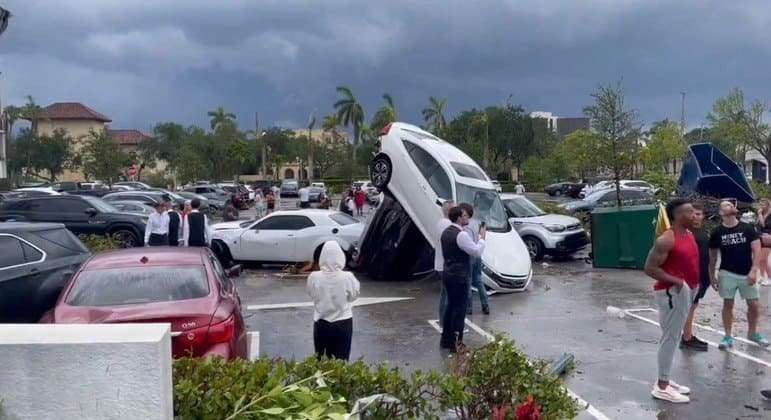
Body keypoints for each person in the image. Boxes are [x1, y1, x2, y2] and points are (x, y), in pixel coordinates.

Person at [644, 198, 699, 403]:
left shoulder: (689, 234)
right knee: (670, 337)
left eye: (694, 212)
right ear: (677, 215)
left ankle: (665, 378)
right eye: (690, 212)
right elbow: (650, 268)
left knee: (672, 337)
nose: (694, 215)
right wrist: (678, 282)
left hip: (686, 291)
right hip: (672, 293)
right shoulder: (667, 239)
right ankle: (662, 386)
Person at [709, 200, 769, 349]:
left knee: (754, 305)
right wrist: (711, 275)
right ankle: (727, 336)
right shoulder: (717, 232)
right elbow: (713, 257)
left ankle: (753, 333)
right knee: (728, 304)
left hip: (747, 272)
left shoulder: (747, 228)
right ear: (721, 212)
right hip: (726, 273)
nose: (730, 206)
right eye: (726, 205)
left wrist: (754, 270)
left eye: (731, 204)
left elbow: (757, 251)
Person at [440, 204, 486, 352]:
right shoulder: (461, 235)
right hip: (459, 275)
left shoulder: (446, 232)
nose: (467, 218)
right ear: (459, 218)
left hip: (448, 273)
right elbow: (476, 252)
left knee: (450, 307)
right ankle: (457, 343)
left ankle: (446, 340)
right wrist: (482, 239)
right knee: (459, 309)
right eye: (465, 216)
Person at [307, 241, 360, 360]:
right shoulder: (348, 277)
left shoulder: (314, 276)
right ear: (340, 256)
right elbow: (353, 296)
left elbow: (312, 294)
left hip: (321, 322)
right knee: (342, 360)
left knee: (321, 359)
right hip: (343, 322)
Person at [680, 202, 709, 351]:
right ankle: (687, 338)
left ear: (703, 216)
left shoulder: (702, 232)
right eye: (693, 214)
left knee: (693, 305)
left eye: (698, 214)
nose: (696, 217)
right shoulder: (686, 233)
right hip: (692, 277)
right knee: (690, 306)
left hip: (704, 275)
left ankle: (688, 335)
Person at [462, 203, 489, 315]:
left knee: (468, 281)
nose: (461, 215)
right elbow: (482, 235)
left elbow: (466, 242)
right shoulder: (476, 223)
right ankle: (485, 305)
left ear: (467, 214)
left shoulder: (466, 225)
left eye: (463, 213)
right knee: (478, 280)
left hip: (469, 255)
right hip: (477, 255)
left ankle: (469, 308)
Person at [435, 200, 455, 327]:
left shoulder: (440, 222)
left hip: (440, 263)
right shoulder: (448, 225)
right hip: (446, 264)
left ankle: (443, 321)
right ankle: (447, 323)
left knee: (444, 294)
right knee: (449, 296)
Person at [756, 198, 771, 284]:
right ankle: (762, 277)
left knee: (764, 259)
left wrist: (759, 214)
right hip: (760, 237)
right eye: (760, 204)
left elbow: (763, 225)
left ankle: (769, 277)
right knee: (760, 260)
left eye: (763, 204)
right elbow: (758, 226)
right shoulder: (760, 214)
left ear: (768, 205)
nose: (761, 206)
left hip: (768, 238)